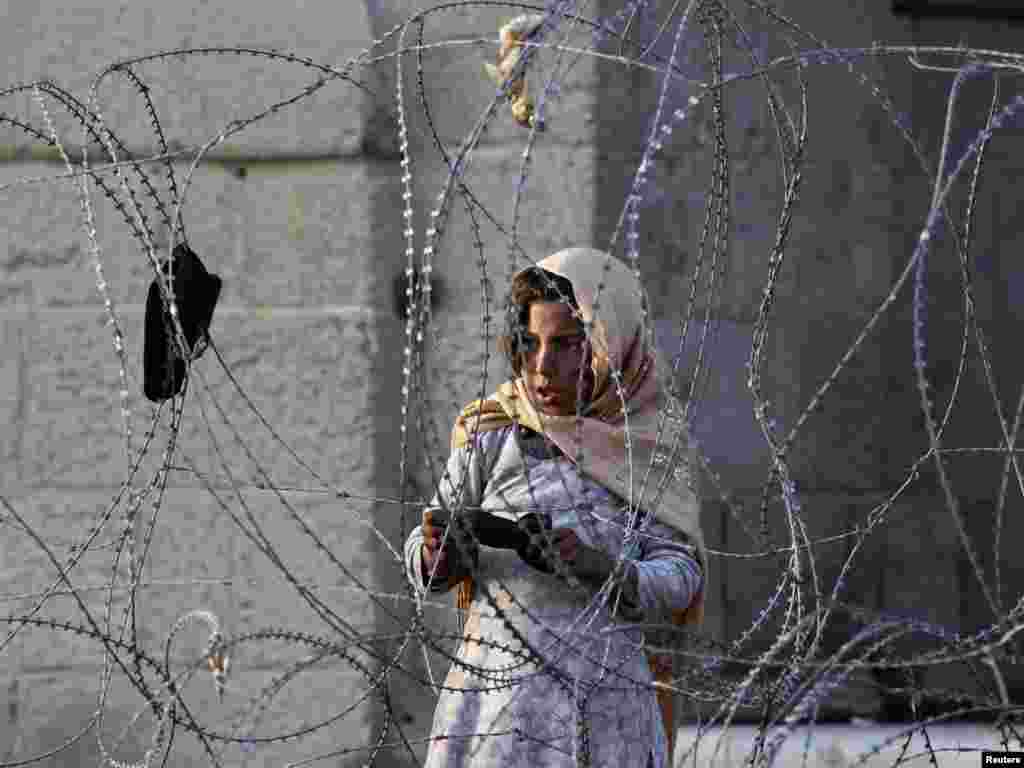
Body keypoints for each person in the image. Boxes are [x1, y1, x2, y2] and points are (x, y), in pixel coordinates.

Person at [404, 247, 706, 767]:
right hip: (493, 711)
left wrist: (601, 567)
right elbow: (426, 544)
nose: (542, 365)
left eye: (567, 345)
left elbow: (681, 576)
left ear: (613, 344)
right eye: (531, 343)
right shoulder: (493, 432)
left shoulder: (646, 447)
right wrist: (437, 556)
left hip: (605, 715)